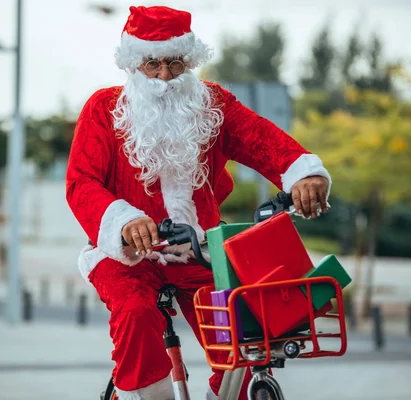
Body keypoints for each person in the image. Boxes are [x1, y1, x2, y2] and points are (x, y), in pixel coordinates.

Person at [66, 5, 331, 400]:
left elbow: (259, 138)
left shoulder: (212, 105)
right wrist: (124, 221)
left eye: (174, 63)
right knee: (136, 313)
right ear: (134, 64)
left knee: (242, 326)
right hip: (125, 256)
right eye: (152, 65)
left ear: (188, 61)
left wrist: (301, 172)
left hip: (199, 250)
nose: (164, 77)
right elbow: (80, 182)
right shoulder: (104, 110)